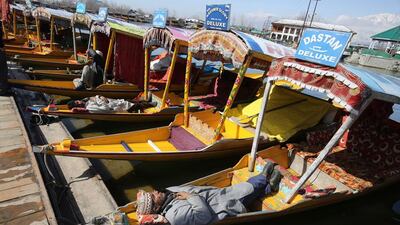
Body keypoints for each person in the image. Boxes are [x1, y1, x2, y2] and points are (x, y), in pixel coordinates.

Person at [127, 161, 283, 225]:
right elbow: (204, 217)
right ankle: (263, 178)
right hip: (223, 204)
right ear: (156, 208)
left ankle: (270, 188)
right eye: (153, 196)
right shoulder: (175, 217)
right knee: (247, 188)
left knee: (248, 192)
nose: (154, 191)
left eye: (152, 192)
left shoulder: (167, 192)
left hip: (217, 193)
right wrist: (191, 197)